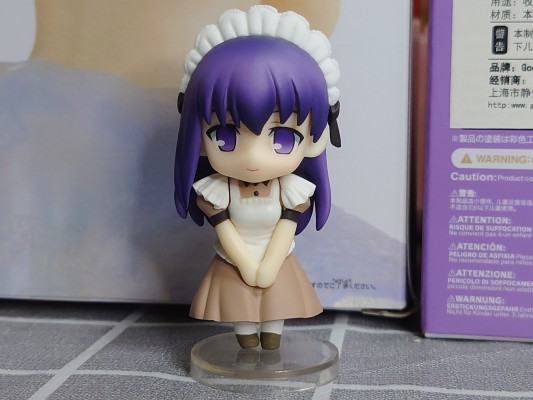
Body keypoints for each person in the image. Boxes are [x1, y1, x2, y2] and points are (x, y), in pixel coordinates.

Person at [174, 6, 340, 350]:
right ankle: (247, 346)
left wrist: (268, 267)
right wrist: (248, 266)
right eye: (225, 136)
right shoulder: (217, 192)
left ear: (315, 138)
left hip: (277, 261)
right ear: (199, 139)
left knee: (275, 318)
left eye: (282, 137)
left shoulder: (292, 191)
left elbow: (286, 226)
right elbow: (224, 229)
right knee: (243, 320)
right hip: (233, 262)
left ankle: (272, 341)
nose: (253, 158)